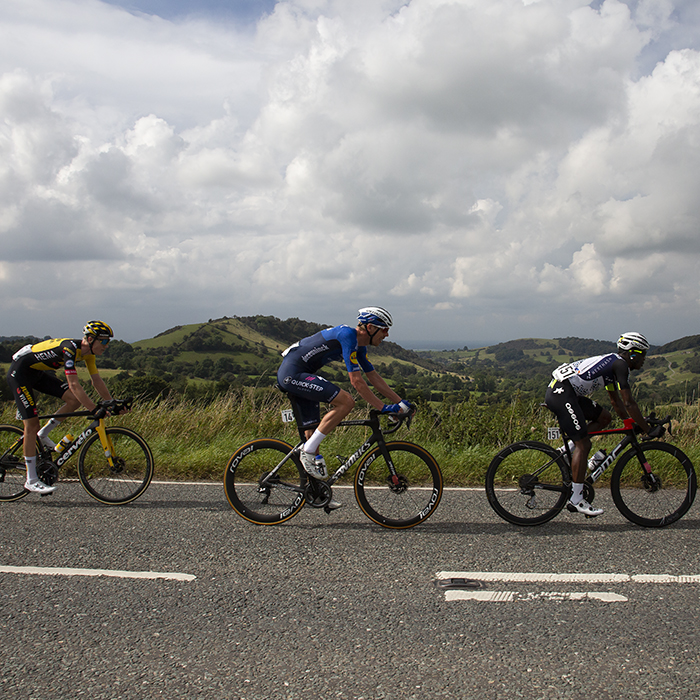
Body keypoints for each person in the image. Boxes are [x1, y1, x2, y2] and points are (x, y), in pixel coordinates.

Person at [277, 307, 412, 508]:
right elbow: (357, 382)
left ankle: (316, 493)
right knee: (346, 401)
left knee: (313, 432)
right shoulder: (348, 335)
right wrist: (384, 408)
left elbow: (373, 377)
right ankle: (308, 451)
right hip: (293, 374)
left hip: (301, 374)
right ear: (369, 327)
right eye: (383, 329)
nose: (387, 334)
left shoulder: (359, 346)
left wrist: (401, 403)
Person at [544, 331, 652, 517]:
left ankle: (567, 450)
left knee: (604, 418)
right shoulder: (620, 365)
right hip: (562, 393)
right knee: (584, 444)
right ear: (632, 353)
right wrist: (647, 428)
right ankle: (576, 499)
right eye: (642, 354)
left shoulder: (612, 364)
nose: (643, 360)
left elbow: (616, 403)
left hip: (567, 392)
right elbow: (629, 403)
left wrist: (629, 422)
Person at [6, 321, 117, 494]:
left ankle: (43, 434)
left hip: (37, 374)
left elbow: (97, 381)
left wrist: (111, 402)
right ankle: (31, 479)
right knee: (31, 425)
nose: (106, 345)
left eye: (108, 341)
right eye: (103, 341)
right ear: (90, 338)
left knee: (73, 401)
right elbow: (73, 384)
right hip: (20, 374)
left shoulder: (89, 354)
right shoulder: (70, 349)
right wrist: (94, 409)